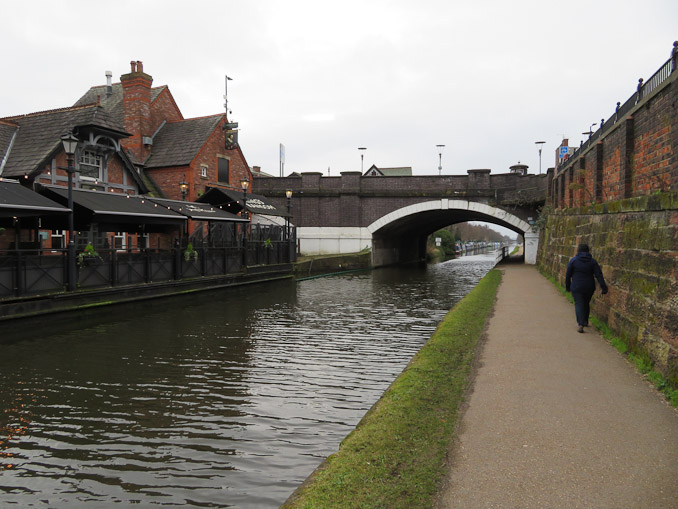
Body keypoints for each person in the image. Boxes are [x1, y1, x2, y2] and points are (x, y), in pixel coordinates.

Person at [565, 243, 608, 333]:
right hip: (589, 286)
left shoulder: (574, 261)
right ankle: (585, 321)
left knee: (579, 303)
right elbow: (598, 275)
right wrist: (603, 287)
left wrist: (567, 286)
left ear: (578, 251)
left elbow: (568, 275)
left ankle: (580, 324)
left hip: (577, 286)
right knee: (586, 303)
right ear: (588, 251)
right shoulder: (592, 261)